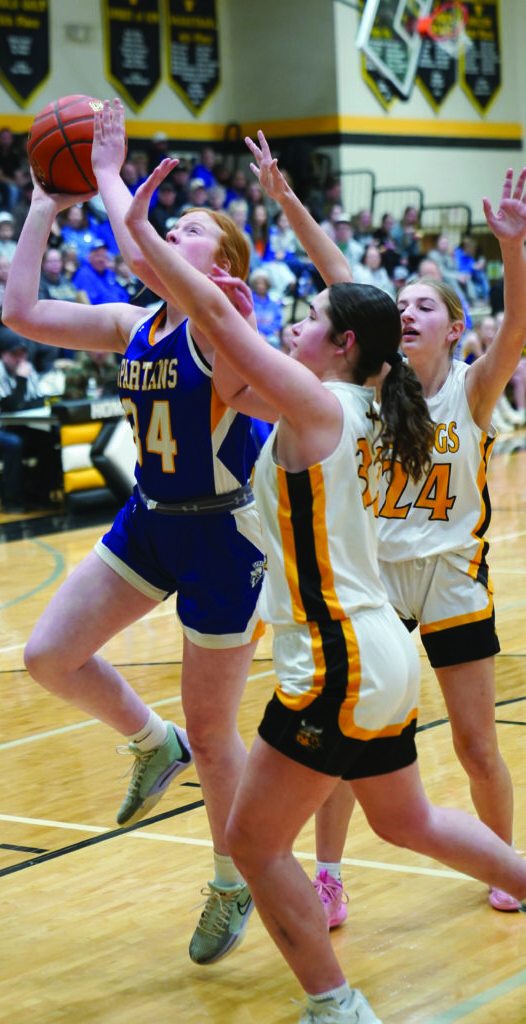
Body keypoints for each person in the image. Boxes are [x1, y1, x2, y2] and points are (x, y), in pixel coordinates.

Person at [125, 133, 526, 1024]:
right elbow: (232, 367)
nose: (291, 322)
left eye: (305, 316)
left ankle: (335, 1005)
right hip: (375, 648)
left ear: (341, 343)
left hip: (339, 656)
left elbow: (227, 333)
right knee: (407, 821)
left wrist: (134, 215)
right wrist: (209, 283)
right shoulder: (356, 399)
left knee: (252, 843)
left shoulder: (318, 403)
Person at [1, 97, 274, 968]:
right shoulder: (136, 325)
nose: (170, 228)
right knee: (49, 655)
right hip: (152, 521)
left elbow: (135, 248)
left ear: (223, 262)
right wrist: (47, 202)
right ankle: (155, 746)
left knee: (217, 720)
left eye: (189, 224)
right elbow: (20, 314)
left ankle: (232, 880)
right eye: (173, 224)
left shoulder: (222, 322)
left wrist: (115, 177)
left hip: (226, 539)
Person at [314, 165, 526, 927]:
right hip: (375, 585)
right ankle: (328, 877)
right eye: (400, 304)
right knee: (346, 736)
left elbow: (518, 323)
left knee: (475, 744)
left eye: (424, 304)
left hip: (451, 580)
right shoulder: (374, 384)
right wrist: (287, 203)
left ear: (454, 327)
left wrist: (512, 245)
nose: (406, 311)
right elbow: (340, 279)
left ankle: (508, 864)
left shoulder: (472, 387)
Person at [0, 327, 59, 513]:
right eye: (14, 355)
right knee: (14, 443)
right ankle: (10, 500)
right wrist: (22, 380)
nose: (19, 359)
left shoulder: (26, 368)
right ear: (3, 355)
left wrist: (24, 385)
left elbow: (37, 400)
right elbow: (12, 406)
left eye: (22, 354)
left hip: (12, 428)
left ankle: (38, 494)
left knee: (51, 441)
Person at [71, 239, 130, 305]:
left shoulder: (108, 272)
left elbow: (121, 294)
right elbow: (91, 304)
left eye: (104, 256)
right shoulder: (83, 274)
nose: (101, 260)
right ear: (89, 258)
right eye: (98, 256)